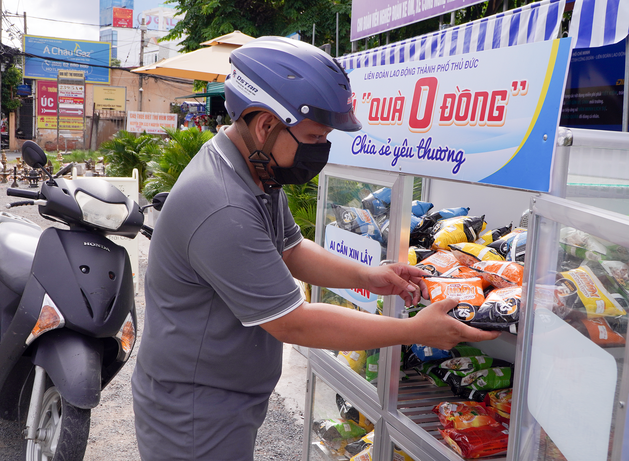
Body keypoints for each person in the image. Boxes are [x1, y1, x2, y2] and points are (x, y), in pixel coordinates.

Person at [131, 36, 500, 461]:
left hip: (223, 397)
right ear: (266, 125)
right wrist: (415, 331)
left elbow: (291, 249)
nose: (320, 149)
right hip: (195, 412)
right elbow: (295, 324)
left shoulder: (256, 173)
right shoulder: (223, 203)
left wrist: (370, 276)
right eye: (313, 135)